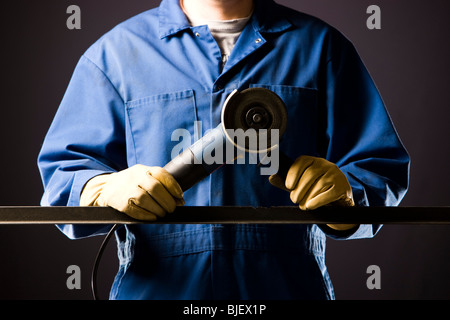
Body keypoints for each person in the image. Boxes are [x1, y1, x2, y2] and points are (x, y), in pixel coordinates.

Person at [38, 0, 410, 299]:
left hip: (287, 289)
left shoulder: (322, 48)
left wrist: (345, 199)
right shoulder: (115, 55)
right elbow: (63, 177)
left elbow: (379, 168)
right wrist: (102, 189)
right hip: (156, 290)